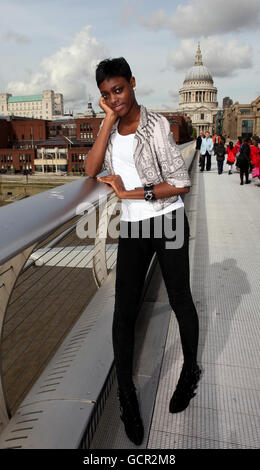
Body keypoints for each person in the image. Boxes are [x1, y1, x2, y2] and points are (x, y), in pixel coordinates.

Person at [85, 57, 201, 446]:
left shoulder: (158, 126)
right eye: (106, 95)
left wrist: (129, 192)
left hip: (166, 220)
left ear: (133, 83)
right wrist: (105, 121)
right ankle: (126, 396)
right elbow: (89, 170)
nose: (115, 99)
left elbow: (181, 182)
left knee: (182, 300)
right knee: (123, 312)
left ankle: (190, 373)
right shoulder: (112, 127)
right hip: (135, 227)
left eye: (119, 90)